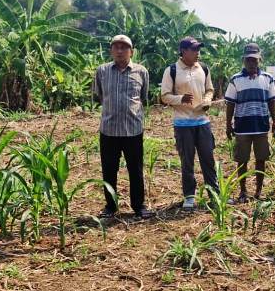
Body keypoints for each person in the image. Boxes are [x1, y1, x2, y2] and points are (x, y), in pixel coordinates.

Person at [93, 34, 153, 219]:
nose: (120, 51)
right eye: (116, 47)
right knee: (109, 170)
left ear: (131, 51)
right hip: (109, 130)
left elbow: (142, 97)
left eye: (124, 47)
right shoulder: (102, 71)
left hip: (133, 130)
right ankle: (110, 206)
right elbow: (99, 95)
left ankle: (138, 206)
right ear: (111, 50)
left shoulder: (141, 72)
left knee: (136, 170)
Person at [161, 37, 217, 211]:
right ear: (183, 51)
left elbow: (210, 89)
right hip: (183, 123)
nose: (197, 52)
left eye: (198, 49)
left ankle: (214, 195)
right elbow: (164, 96)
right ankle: (189, 197)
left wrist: (207, 100)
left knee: (208, 158)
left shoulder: (203, 69)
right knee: (187, 162)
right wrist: (180, 99)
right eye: (194, 49)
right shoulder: (172, 70)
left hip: (202, 122)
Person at [224, 43, 275, 203]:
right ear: (243, 60)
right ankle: (243, 192)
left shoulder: (267, 78)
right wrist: (228, 125)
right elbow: (230, 104)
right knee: (242, 160)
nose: (251, 63)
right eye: (248, 60)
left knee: (261, 159)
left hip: (261, 126)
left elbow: (272, 102)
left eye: (254, 60)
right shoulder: (236, 79)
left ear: (259, 60)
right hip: (242, 128)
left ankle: (258, 192)